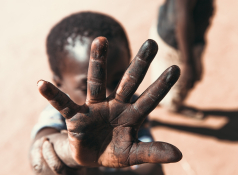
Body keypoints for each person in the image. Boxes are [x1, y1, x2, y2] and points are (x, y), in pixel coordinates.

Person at [29, 12, 182, 175]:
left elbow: (151, 168)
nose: (109, 95)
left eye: (117, 81)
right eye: (87, 87)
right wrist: (70, 152)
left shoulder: (129, 109)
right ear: (58, 83)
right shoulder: (55, 114)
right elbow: (40, 151)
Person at [149, 0, 214, 118]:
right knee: (179, 83)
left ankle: (161, 100)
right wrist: (188, 62)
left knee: (164, 75)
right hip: (177, 45)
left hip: (169, 31)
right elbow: (181, 17)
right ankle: (174, 106)